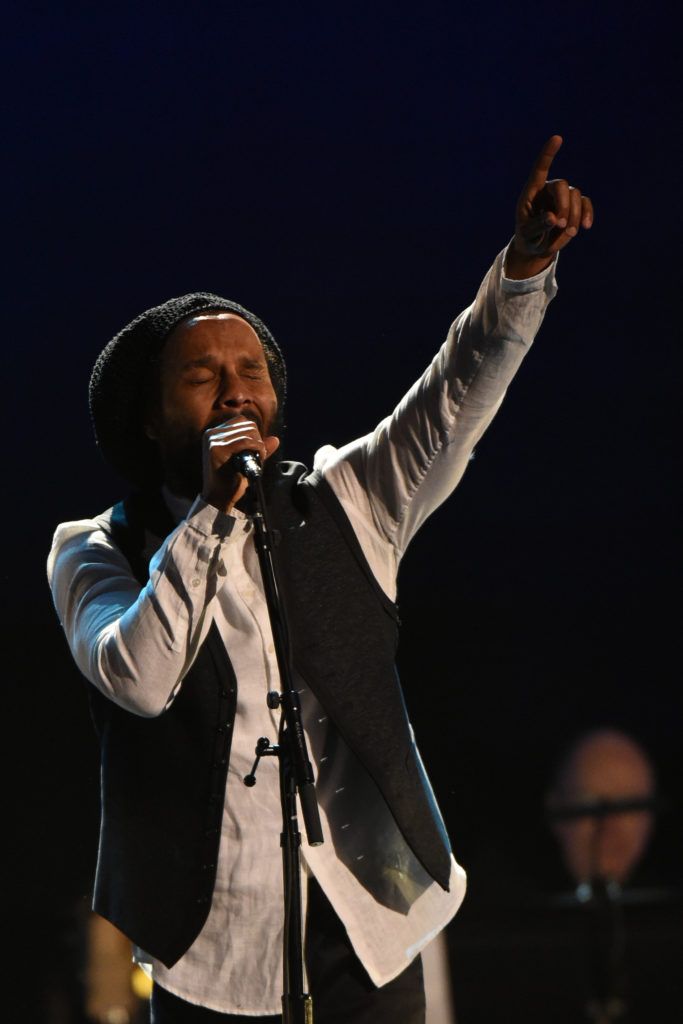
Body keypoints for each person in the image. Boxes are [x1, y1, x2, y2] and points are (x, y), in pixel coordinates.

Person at [48, 136, 592, 1023]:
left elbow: (453, 394)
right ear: (150, 419)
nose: (234, 392)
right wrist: (212, 520)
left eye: (251, 371)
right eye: (201, 376)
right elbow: (138, 680)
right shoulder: (94, 550)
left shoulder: (346, 500)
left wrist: (523, 268)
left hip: (365, 915)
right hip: (210, 943)